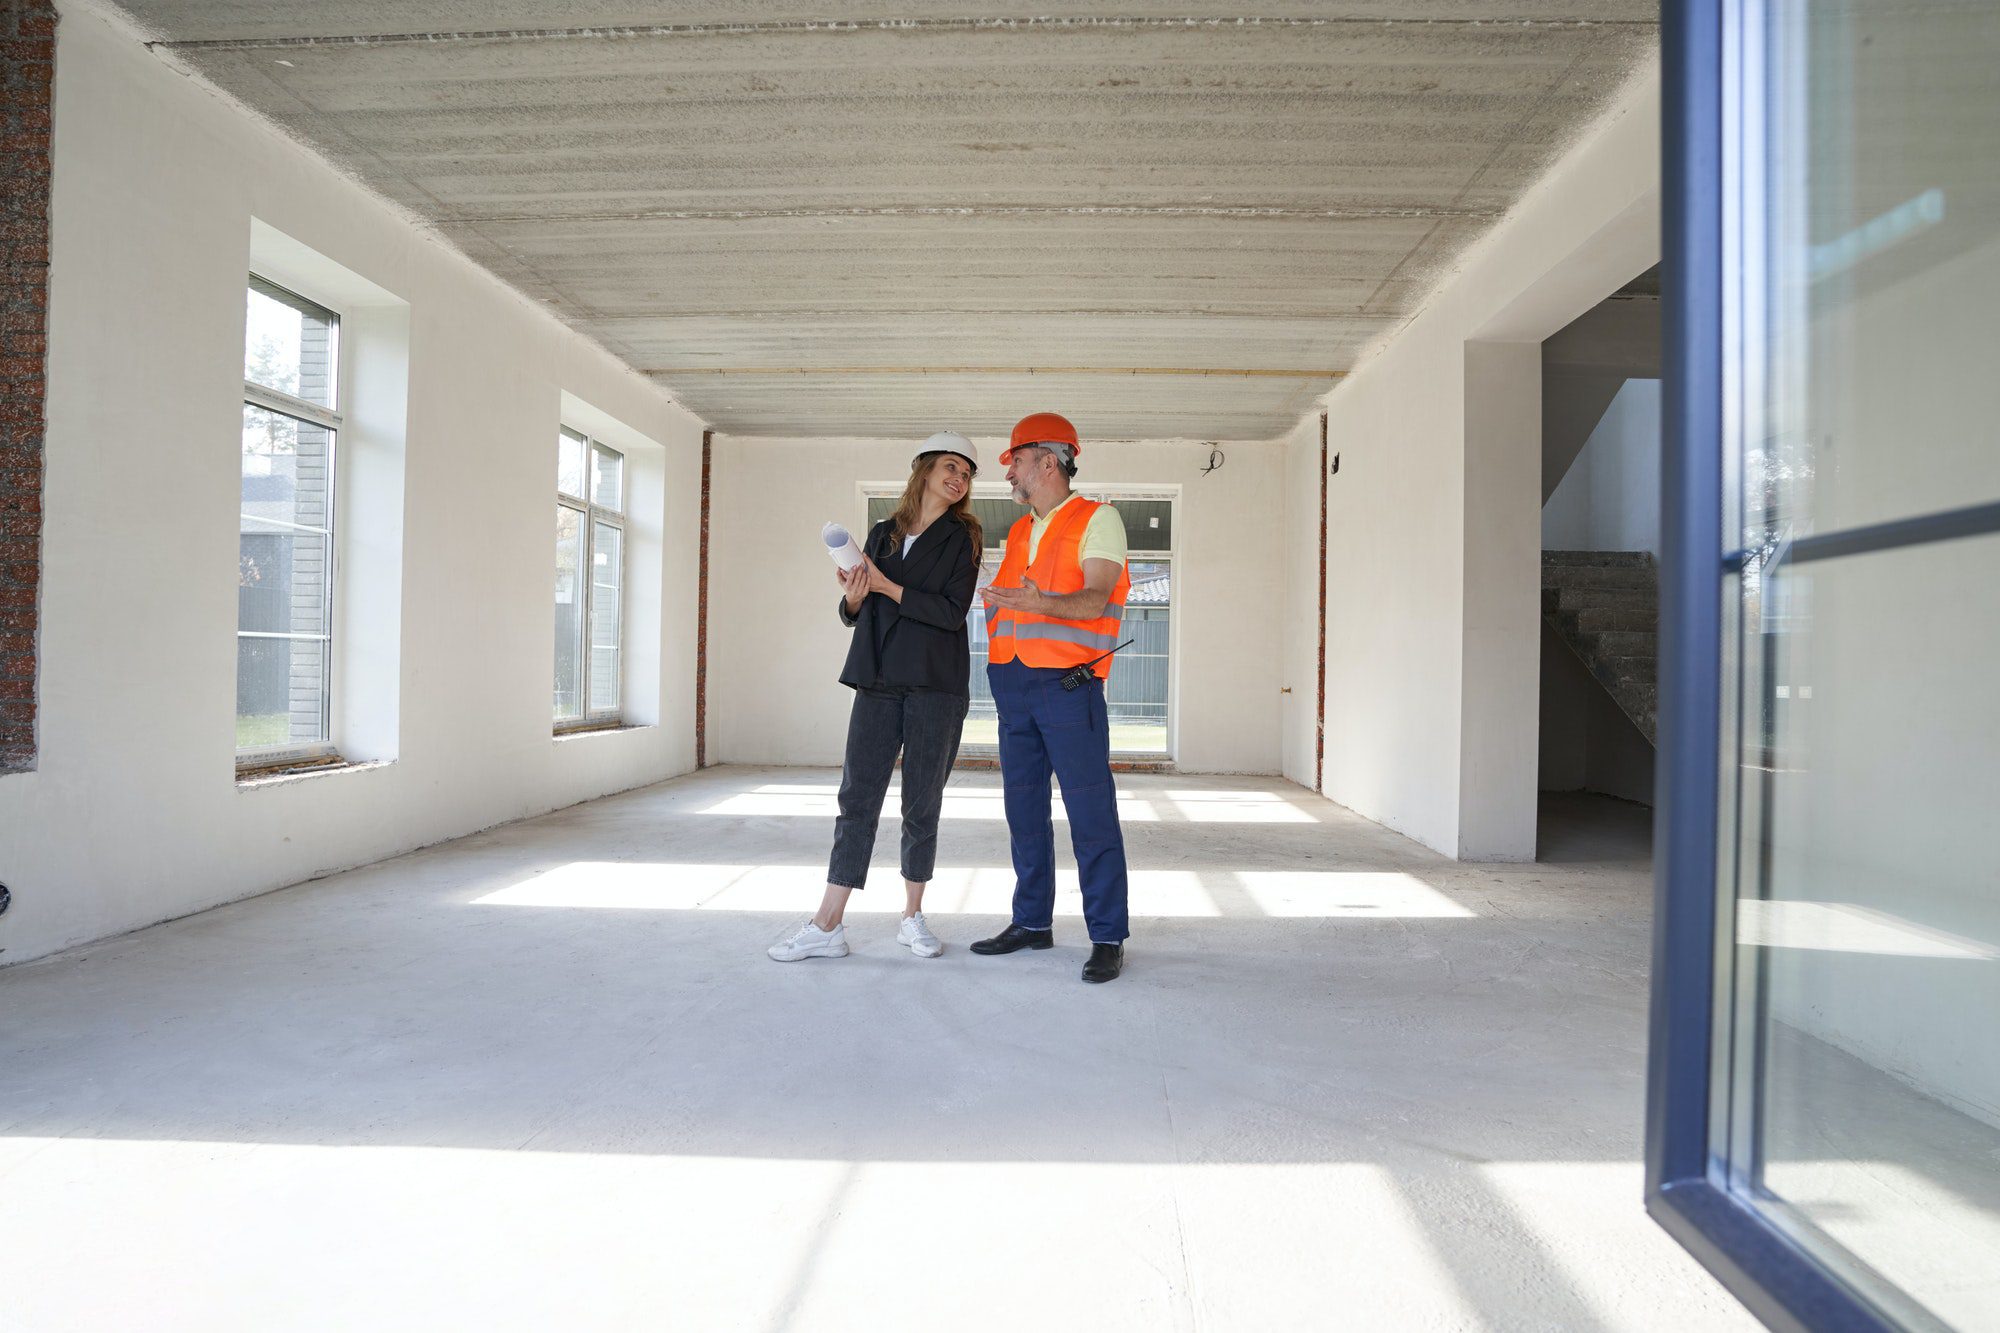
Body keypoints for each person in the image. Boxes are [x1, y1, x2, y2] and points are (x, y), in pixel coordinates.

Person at [768, 432, 984, 963]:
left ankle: (912, 917)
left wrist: (887, 588)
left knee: (920, 802)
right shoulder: (883, 533)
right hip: (878, 679)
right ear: (926, 470)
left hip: (936, 683)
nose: (959, 479)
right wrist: (855, 597)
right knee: (856, 799)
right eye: (951, 467)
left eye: (967, 473)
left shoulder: (966, 536)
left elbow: (951, 613)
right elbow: (863, 610)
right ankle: (828, 923)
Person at [972, 412, 1133, 983]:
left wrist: (1033, 603)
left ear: (1047, 461)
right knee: (1024, 811)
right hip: (1013, 685)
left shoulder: (1099, 519)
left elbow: (1093, 600)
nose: (1009, 472)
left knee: (1090, 812)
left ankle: (1108, 935)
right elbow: (1010, 601)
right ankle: (1032, 922)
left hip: (1069, 687)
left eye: (1014, 460)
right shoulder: (1019, 531)